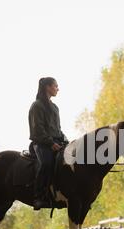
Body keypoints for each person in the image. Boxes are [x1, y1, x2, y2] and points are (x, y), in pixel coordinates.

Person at [28, 77, 69, 210]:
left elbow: (57, 129)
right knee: (46, 164)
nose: (58, 88)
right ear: (47, 87)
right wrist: (51, 143)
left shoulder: (55, 107)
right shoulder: (36, 106)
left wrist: (66, 140)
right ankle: (38, 197)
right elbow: (38, 130)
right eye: (55, 86)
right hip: (41, 144)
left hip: (56, 142)